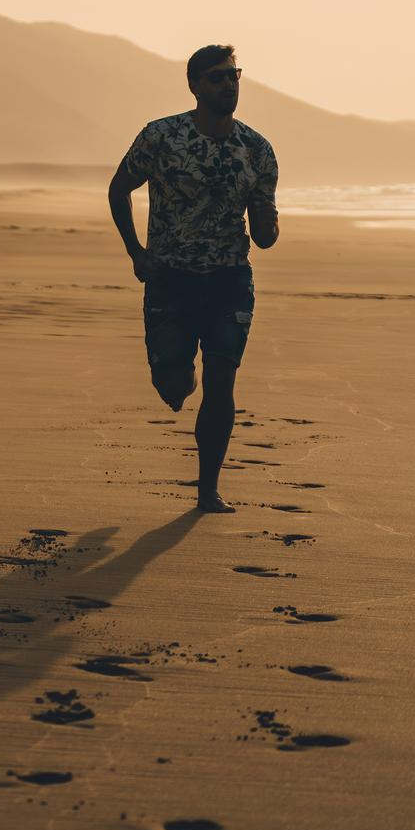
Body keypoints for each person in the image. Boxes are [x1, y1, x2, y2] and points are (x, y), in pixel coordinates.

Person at [108, 45, 279, 514]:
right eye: (217, 77)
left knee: (222, 380)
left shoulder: (257, 149)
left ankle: (208, 491)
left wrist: (267, 221)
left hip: (229, 278)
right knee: (174, 383)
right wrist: (136, 253)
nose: (229, 84)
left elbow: (265, 237)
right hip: (170, 277)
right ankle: (174, 375)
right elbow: (119, 188)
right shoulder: (162, 136)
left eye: (234, 75)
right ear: (195, 86)